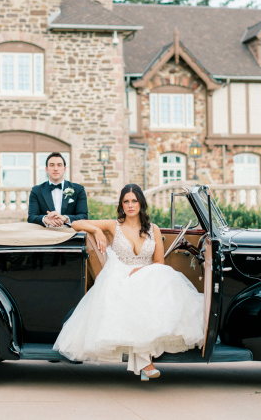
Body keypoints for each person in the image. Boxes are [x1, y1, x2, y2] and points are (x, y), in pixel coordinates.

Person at [54, 184, 205, 381]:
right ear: (121, 204)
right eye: (126, 201)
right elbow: (76, 224)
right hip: (119, 275)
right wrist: (97, 231)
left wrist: (142, 270)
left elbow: (159, 261)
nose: (130, 205)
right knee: (130, 292)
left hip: (148, 273)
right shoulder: (113, 225)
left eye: (134, 201)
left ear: (141, 203)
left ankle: (143, 363)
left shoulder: (153, 229)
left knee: (161, 277)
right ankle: (145, 362)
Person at [27, 152, 88, 227]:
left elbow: (83, 217)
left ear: (64, 169)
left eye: (59, 165)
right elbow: (31, 218)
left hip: (71, 235)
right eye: (52, 165)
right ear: (46, 169)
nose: (55, 169)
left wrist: (65, 218)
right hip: (46, 235)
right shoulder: (36, 191)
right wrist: (45, 219)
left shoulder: (78, 189)